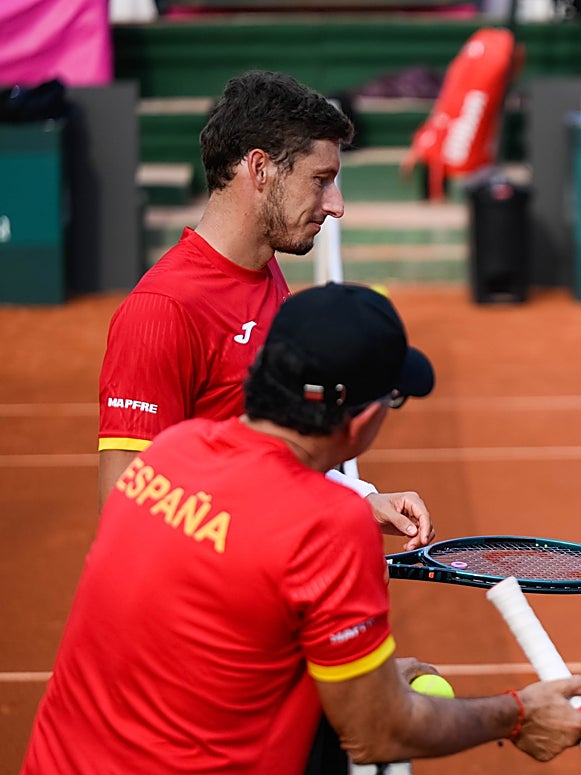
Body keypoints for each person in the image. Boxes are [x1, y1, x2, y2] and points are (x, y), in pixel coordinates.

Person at [0, 284, 581, 775]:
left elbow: (216, 638)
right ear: (364, 418)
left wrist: (357, 674)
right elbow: (378, 730)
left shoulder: (167, 456)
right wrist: (517, 715)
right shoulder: (329, 525)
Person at [95, 69, 429, 546]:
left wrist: (354, 498)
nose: (335, 205)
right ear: (260, 168)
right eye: (321, 180)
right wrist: (289, 562)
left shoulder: (264, 269)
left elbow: (260, 454)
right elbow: (124, 515)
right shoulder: (162, 310)